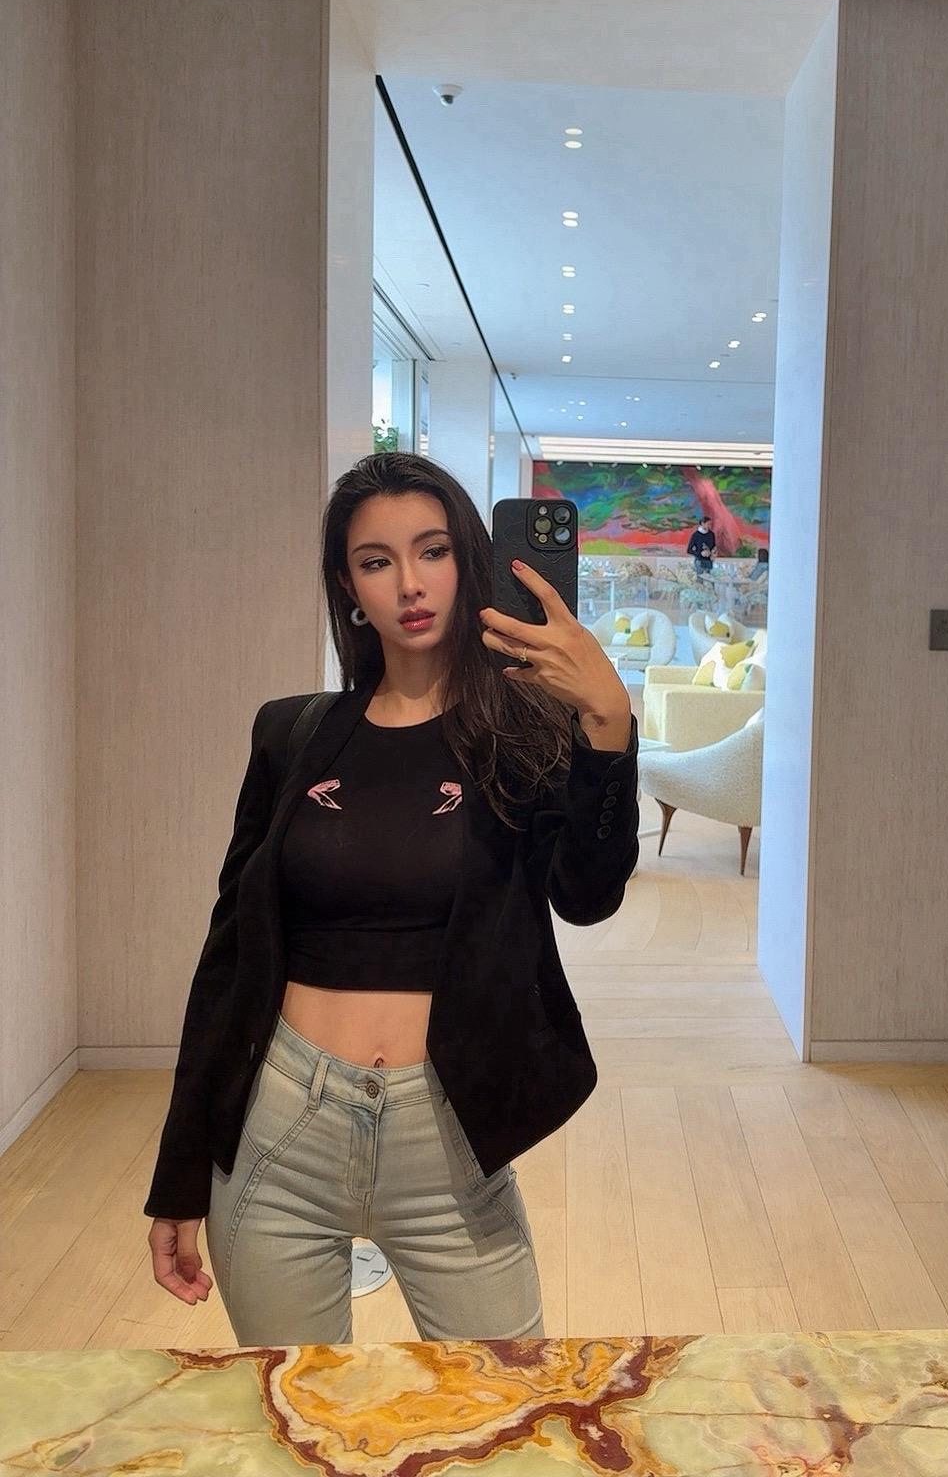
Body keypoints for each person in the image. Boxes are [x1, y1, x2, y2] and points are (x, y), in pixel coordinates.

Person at [144, 451, 639, 1345]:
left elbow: (588, 896)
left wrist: (606, 724)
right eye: (377, 561)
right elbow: (228, 960)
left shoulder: (525, 737)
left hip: (447, 1135)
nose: (410, 584)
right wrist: (179, 1171)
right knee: (298, 1411)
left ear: (469, 562)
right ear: (349, 587)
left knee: (501, 1402)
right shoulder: (292, 735)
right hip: (281, 1133)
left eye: (433, 551)